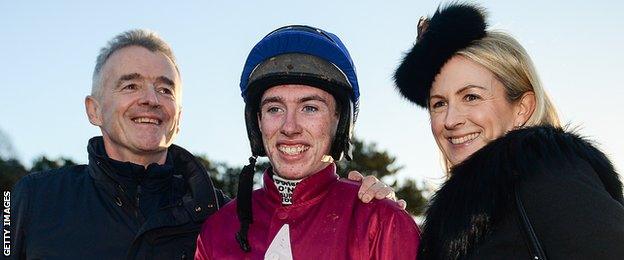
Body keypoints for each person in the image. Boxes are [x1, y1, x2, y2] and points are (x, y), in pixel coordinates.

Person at [8, 29, 397, 260]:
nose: (150, 99)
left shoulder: (219, 215)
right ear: (94, 109)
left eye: (164, 88)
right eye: (130, 85)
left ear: (179, 114)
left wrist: (375, 211)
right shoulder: (26, 199)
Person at [394, 3, 624, 259]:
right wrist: (367, 214)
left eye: (471, 97)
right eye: (439, 103)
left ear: (522, 109)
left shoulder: (551, 176)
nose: (450, 119)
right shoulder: (460, 218)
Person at [195, 25, 420, 259]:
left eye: (309, 108)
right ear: (257, 122)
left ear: (339, 122)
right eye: (274, 108)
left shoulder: (381, 223)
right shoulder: (217, 231)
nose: (289, 127)